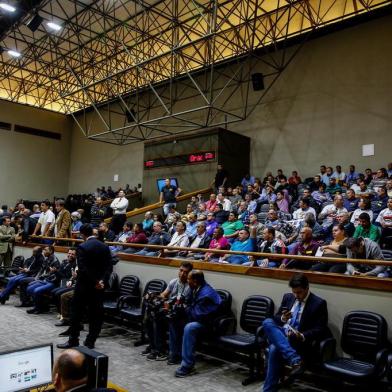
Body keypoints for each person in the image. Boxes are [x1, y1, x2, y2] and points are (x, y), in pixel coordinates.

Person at [262, 273, 329, 392]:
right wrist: (283, 318)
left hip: (297, 340)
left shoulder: (318, 303)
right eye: (294, 292)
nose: (296, 296)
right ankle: (295, 359)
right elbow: (276, 318)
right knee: (267, 322)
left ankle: (268, 390)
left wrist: (302, 335)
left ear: (307, 288)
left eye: (299, 292)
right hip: (283, 333)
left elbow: (320, 329)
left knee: (274, 349)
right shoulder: (288, 297)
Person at [57, 224, 113, 349]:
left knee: (76, 313)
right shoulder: (104, 246)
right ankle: (90, 341)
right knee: (96, 315)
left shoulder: (82, 247)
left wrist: (95, 281)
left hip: (84, 286)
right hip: (99, 287)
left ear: (82, 234)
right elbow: (109, 267)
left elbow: (83, 269)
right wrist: (101, 281)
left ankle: (73, 340)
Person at [143, 261, 193, 363]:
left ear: (189, 273)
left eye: (185, 272)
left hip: (181, 313)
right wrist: (153, 296)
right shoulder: (174, 282)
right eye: (181, 270)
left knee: (158, 319)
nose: (182, 274)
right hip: (170, 310)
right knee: (149, 318)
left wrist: (167, 305)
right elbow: (164, 294)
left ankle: (160, 351)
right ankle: (153, 346)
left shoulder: (190, 286)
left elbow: (181, 303)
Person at [175, 270, 221, 377]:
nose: (187, 281)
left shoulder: (207, 294)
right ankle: (174, 354)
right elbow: (190, 305)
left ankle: (187, 366)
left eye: (188, 279)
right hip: (199, 319)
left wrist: (184, 308)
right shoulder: (196, 288)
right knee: (174, 318)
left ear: (194, 281)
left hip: (209, 324)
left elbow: (198, 314)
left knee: (189, 327)